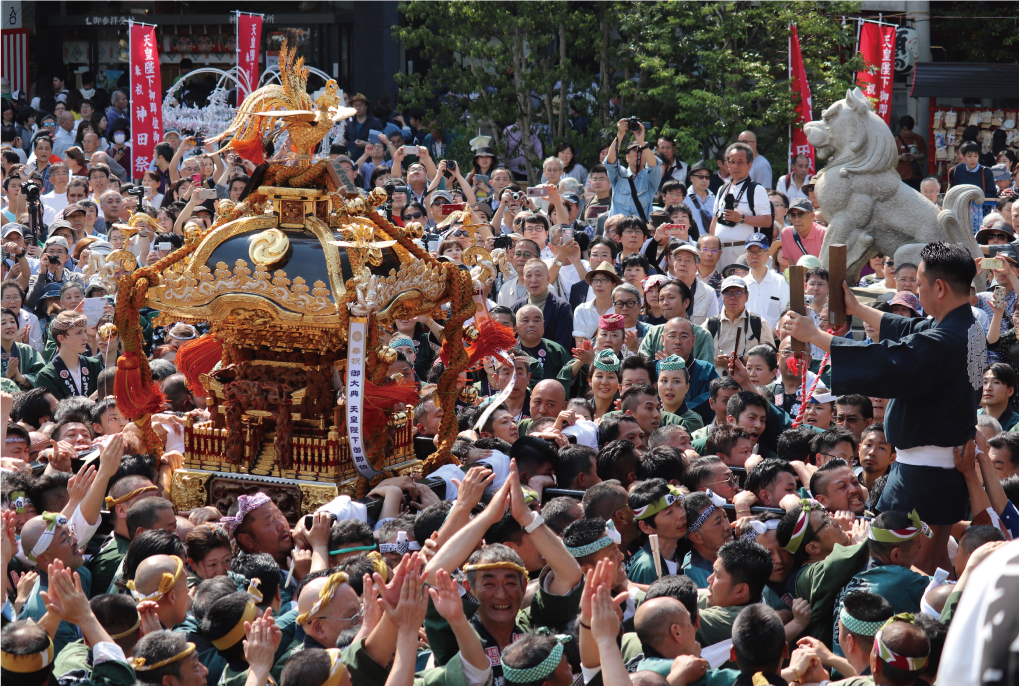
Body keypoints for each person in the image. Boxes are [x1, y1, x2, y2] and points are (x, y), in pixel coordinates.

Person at [783, 242, 984, 575]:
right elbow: (911, 329)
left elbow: (888, 362)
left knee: (914, 565)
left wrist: (815, 335)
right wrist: (858, 308)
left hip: (926, 476)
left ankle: (927, 621)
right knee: (931, 561)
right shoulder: (965, 327)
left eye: (919, 286)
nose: (917, 293)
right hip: (933, 471)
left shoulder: (945, 340)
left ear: (939, 287)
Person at [708, 142, 773, 267]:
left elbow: (767, 221)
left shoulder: (756, 189)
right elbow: (715, 219)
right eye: (732, 162)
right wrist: (712, 246)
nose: (736, 166)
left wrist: (742, 218)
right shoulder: (723, 189)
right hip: (721, 250)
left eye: (740, 162)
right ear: (727, 164)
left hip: (743, 249)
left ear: (749, 165)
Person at [705, 275, 776, 374]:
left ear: (747, 296)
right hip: (717, 385)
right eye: (727, 293)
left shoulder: (759, 323)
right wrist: (715, 361)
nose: (732, 298)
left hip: (749, 384)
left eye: (738, 293)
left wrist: (746, 360)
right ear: (722, 297)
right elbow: (699, 358)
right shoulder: (710, 324)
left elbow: (771, 358)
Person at [604, 119, 661, 221]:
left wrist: (642, 143)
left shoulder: (649, 178)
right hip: (617, 231)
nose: (637, 153)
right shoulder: (620, 174)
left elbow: (654, 166)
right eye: (633, 150)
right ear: (626, 157)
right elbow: (610, 162)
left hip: (639, 232)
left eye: (641, 151)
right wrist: (620, 135)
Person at [743, 232, 789, 329]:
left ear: (768, 254)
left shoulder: (780, 282)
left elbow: (786, 314)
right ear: (745, 254)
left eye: (759, 251)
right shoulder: (741, 284)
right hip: (746, 341)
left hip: (774, 340)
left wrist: (770, 336)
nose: (754, 256)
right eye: (751, 251)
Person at [781, 197, 827, 264]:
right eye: (793, 215)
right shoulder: (786, 234)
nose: (797, 220)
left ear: (812, 215)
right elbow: (793, 267)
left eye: (801, 214)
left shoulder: (824, 234)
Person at [979, 362, 1019, 430]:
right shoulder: (972, 418)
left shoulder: (1016, 425)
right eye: (984, 382)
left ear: (1010, 391)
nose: (988, 388)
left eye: (996, 382)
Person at [895, 115, 929, 190]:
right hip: (901, 176)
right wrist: (901, 157)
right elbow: (891, 158)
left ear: (912, 128)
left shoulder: (919, 138)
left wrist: (915, 156)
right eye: (904, 130)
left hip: (916, 176)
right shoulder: (896, 140)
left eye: (909, 130)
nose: (907, 132)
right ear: (901, 129)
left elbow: (924, 155)